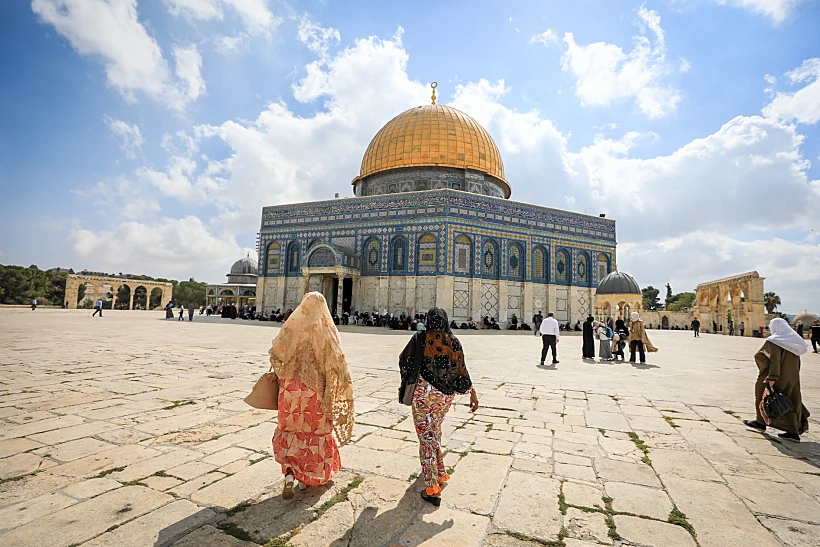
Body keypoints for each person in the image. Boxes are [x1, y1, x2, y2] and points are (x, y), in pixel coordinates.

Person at [269, 292, 354, 497]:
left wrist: (286, 372)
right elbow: (336, 361)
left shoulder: (293, 328)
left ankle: (290, 474)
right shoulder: (324, 330)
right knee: (313, 432)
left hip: (289, 389)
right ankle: (307, 478)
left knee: (290, 428)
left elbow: (275, 352)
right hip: (314, 391)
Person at [398, 307, 478, 506]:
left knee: (426, 438)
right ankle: (440, 472)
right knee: (434, 432)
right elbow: (461, 369)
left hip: (423, 396)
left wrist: (410, 375)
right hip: (444, 398)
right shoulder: (452, 341)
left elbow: (403, 359)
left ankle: (432, 487)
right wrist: (472, 392)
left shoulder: (420, 339)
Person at [743, 318, 809, 442]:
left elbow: (775, 361)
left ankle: (760, 422)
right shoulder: (794, 342)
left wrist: (771, 378)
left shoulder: (774, 341)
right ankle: (792, 431)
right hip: (791, 378)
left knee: (763, 397)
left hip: (774, 377)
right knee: (790, 402)